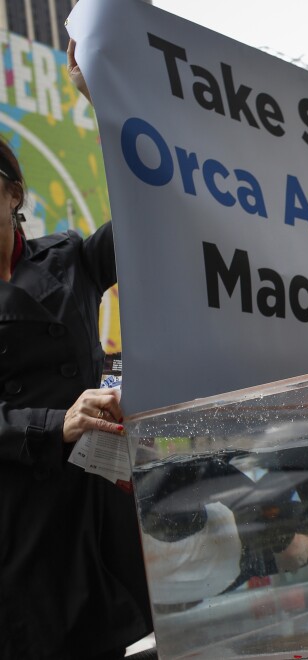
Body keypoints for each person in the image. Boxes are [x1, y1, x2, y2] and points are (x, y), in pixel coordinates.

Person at [0, 42, 153, 659]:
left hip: (90, 496)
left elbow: (145, 208)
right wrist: (50, 423)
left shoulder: (68, 257)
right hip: (15, 513)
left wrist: (105, 99)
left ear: (14, 193)